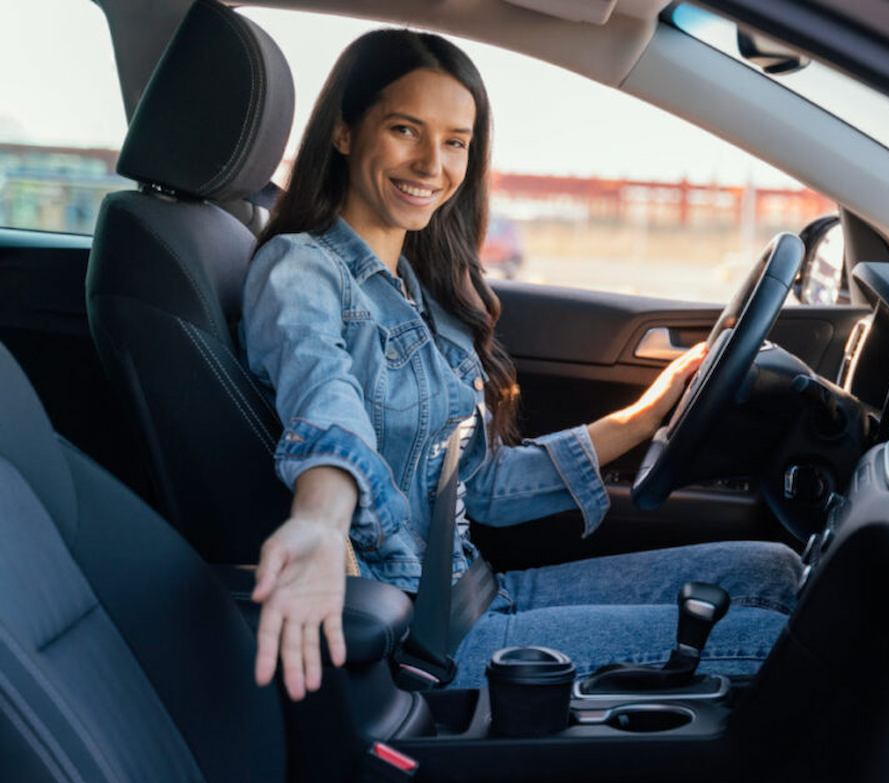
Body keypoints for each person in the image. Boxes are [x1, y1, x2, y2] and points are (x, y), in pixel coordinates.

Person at [241, 29, 801, 700]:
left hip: (476, 589)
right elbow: (324, 403)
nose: (431, 164)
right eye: (404, 130)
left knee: (777, 570)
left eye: (455, 141)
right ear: (343, 133)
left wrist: (646, 414)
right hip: (423, 634)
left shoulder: (427, 293)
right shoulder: (301, 268)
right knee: (781, 644)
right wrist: (320, 519)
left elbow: (482, 487)